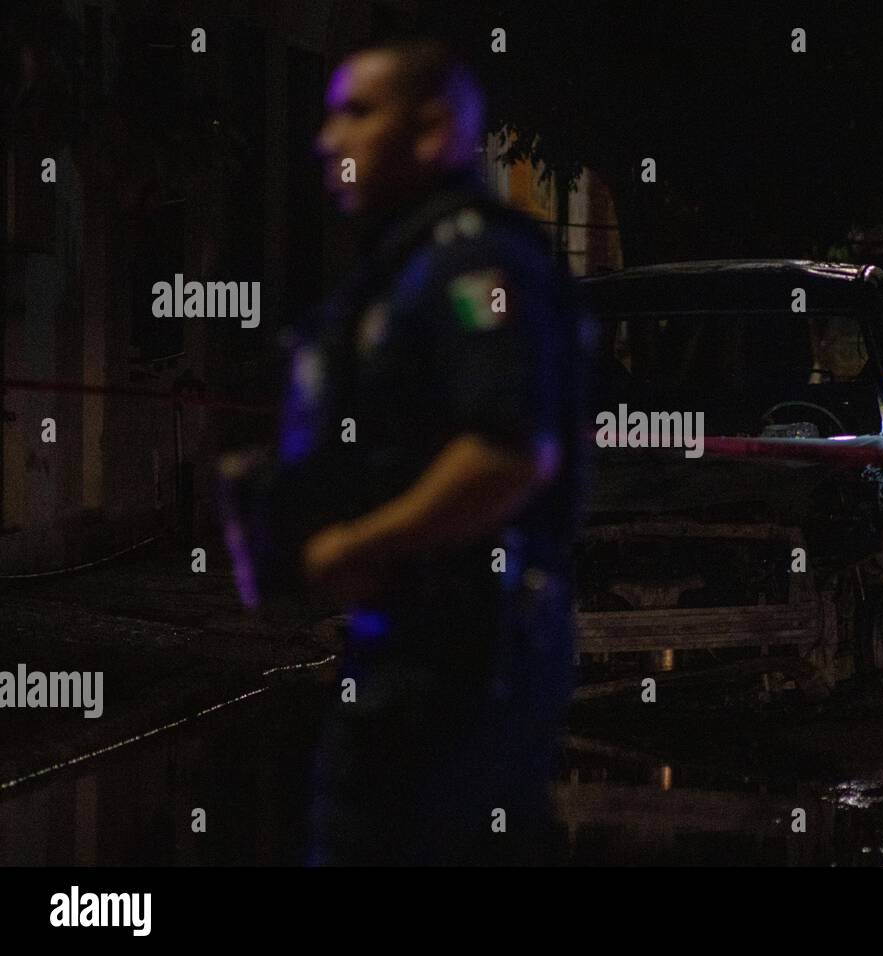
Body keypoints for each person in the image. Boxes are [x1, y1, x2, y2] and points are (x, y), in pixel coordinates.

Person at [273, 38, 588, 864]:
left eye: (358, 112)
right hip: (419, 641)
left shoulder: (472, 263)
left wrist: (356, 544)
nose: (327, 138)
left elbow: (507, 453)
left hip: (466, 651)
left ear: (432, 131)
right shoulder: (404, 262)